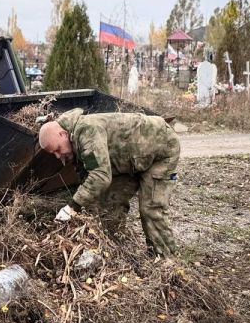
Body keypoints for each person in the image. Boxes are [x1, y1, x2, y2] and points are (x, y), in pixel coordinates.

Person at [38, 108, 180, 256]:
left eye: (57, 149)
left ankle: (165, 259)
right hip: (130, 159)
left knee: (151, 208)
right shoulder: (72, 137)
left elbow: (100, 176)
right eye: (53, 153)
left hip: (161, 149)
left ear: (62, 134)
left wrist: (73, 207)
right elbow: (89, 169)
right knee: (110, 203)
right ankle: (114, 248)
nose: (57, 155)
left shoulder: (87, 131)